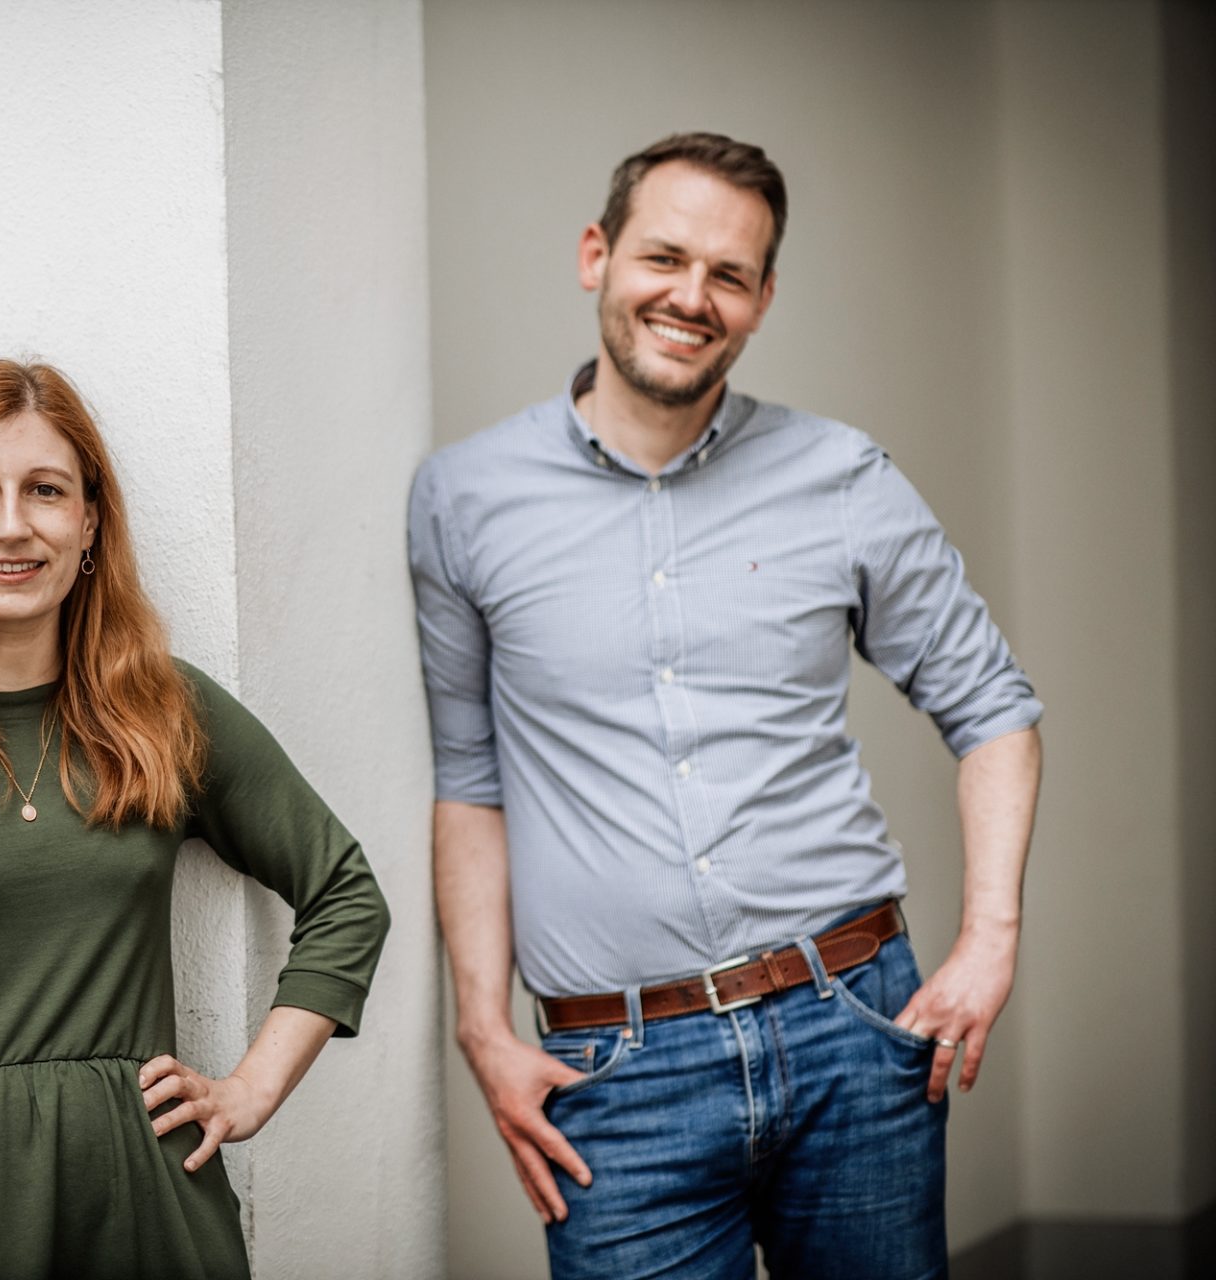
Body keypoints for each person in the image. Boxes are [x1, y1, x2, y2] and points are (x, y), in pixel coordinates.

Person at [408, 132, 1043, 1279]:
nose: (690, 296)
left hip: (855, 1030)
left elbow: (991, 703)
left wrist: (991, 938)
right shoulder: (463, 499)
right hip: (618, 1069)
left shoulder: (843, 477)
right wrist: (482, 1027)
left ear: (761, 300)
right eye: (664, 257)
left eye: (729, 274)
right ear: (596, 255)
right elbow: (472, 779)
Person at [0, 358, 390, 1280]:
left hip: (149, 1204)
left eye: (45, 491)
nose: (11, 525)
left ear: (89, 521)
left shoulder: (162, 709)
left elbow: (346, 890)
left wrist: (250, 1090)